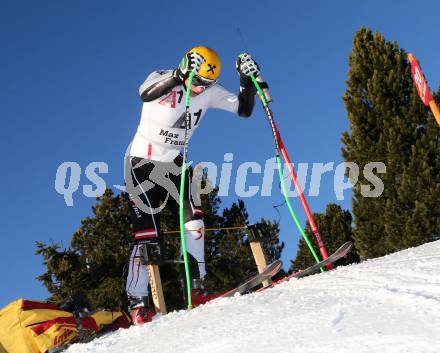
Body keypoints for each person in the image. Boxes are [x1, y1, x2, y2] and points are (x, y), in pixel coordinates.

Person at [124, 46, 261, 325]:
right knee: (148, 234)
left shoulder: (208, 90)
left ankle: (196, 288)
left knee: (195, 220)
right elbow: (144, 93)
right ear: (186, 68)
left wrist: (247, 82)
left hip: (175, 164)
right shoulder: (163, 78)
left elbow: (243, 109)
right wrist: (178, 76)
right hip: (142, 163)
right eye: (197, 82)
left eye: (206, 84)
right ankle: (138, 302)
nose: (200, 89)